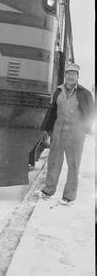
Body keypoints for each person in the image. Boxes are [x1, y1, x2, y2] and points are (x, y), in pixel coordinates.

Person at [36, 63, 94, 205]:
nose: (70, 76)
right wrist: (47, 128)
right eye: (68, 74)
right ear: (65, 75)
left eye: (73, 74)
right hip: (58, 132)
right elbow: (52, 111)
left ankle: (68, 197)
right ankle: (48, 191)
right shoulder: (58, 91)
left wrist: (86, 129)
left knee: (73, 165)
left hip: (75, 134)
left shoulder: (84, 93)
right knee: (54, 162)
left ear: (77, 77)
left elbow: (91, 112)